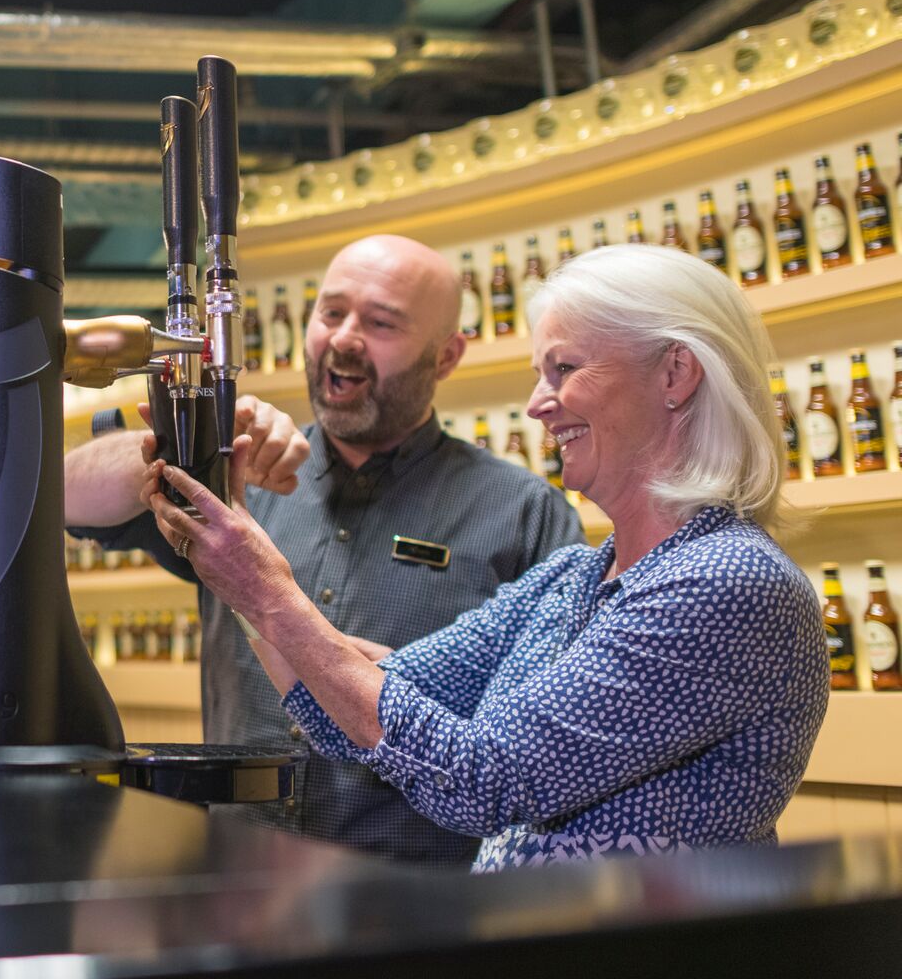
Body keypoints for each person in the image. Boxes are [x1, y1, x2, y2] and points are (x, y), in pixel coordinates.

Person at [150, 244, 828, 870]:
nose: (538, 404)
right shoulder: (576, 577)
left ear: (674, 373)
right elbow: (368, 690)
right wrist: (238, 566)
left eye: (563, 369)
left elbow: (486, 778)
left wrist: (269, 594)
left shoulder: (727, 583)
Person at [66, 234, 581, 864]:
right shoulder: (237, 472)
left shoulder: (526, 514)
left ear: (445, 357)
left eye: (381, 322)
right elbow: (65, 495)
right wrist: (186, 447)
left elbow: (541, 738)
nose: (343, 338)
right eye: (331, 312)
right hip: (238, 891)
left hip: (418, 910)